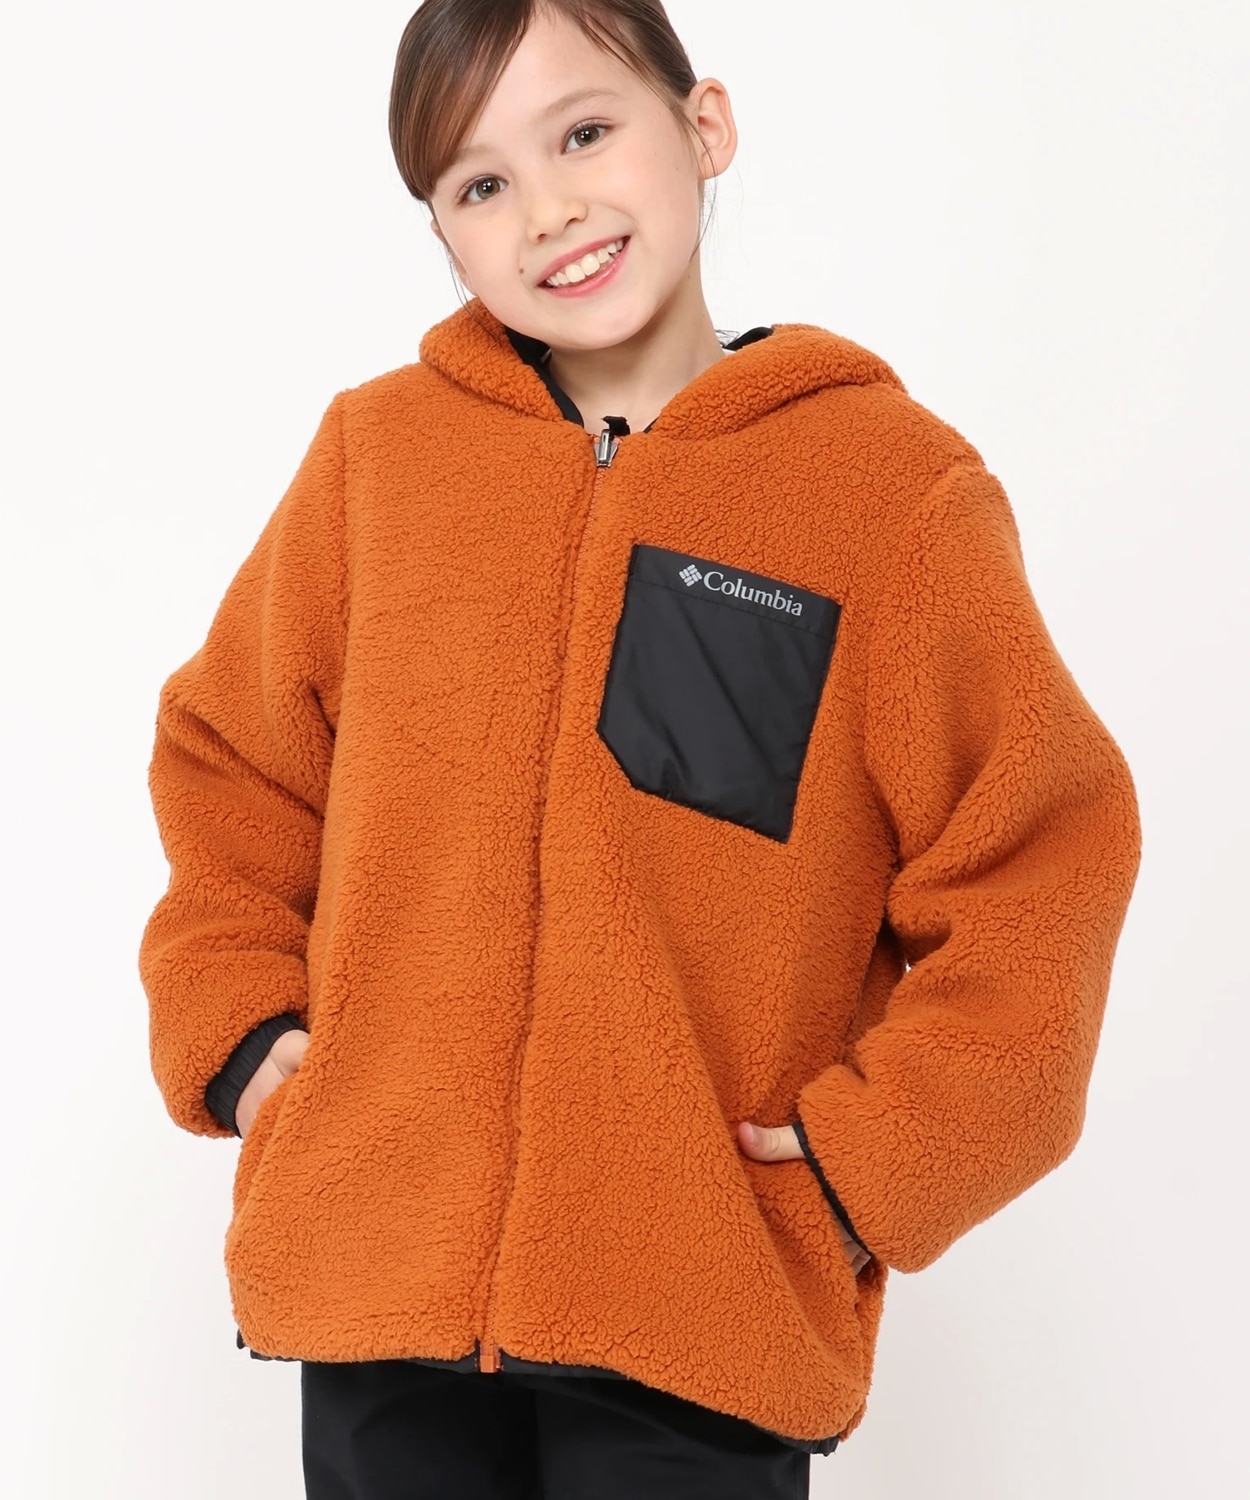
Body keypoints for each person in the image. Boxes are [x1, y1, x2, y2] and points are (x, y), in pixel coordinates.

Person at [138, 1, 1143, 1495]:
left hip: (695, 1306)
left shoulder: (886, 493)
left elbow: (1040, 858)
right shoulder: (378, 463)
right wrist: (234, 1025)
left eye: (586, 132)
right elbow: (233, 758)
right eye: (480, 183)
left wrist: (876, 1165)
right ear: (441, 232)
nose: (548, 210)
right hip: (378, 1280)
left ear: (703, 124)